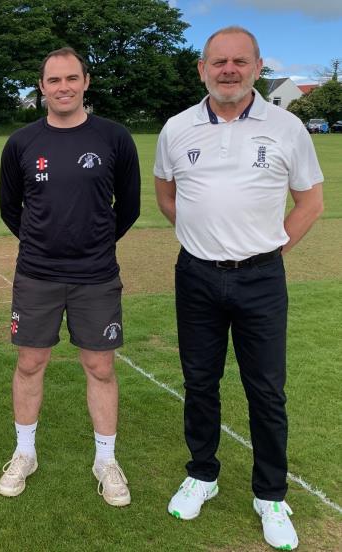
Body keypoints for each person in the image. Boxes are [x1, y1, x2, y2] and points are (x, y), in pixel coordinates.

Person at [154, 26, 323, 551]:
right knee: (199, 382)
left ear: (255, 67)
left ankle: (270, 494)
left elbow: (310, 203)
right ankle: (202, 475)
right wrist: (207, 238)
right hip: (197, 275)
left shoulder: (288, 126)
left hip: (261, 277)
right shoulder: (177, 128)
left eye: (239, 62)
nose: (228, 70)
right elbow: (166, 194)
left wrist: (265, 251)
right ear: (202, 69)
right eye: (218, 62)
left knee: (266, 390)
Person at [0, 47, 140, 505]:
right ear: (41, 87)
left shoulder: (114, 138)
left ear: (86, 81)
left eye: (71, 78)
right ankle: (24, 453)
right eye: (54, 80)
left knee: (100, 366)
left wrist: (92, 242)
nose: (63, 87)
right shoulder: (21, 142)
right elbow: (10, 209)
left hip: (96, 276)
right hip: (37, 275)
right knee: (30, 363)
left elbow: (129, 207)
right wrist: (45, 244)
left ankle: (106, 460)